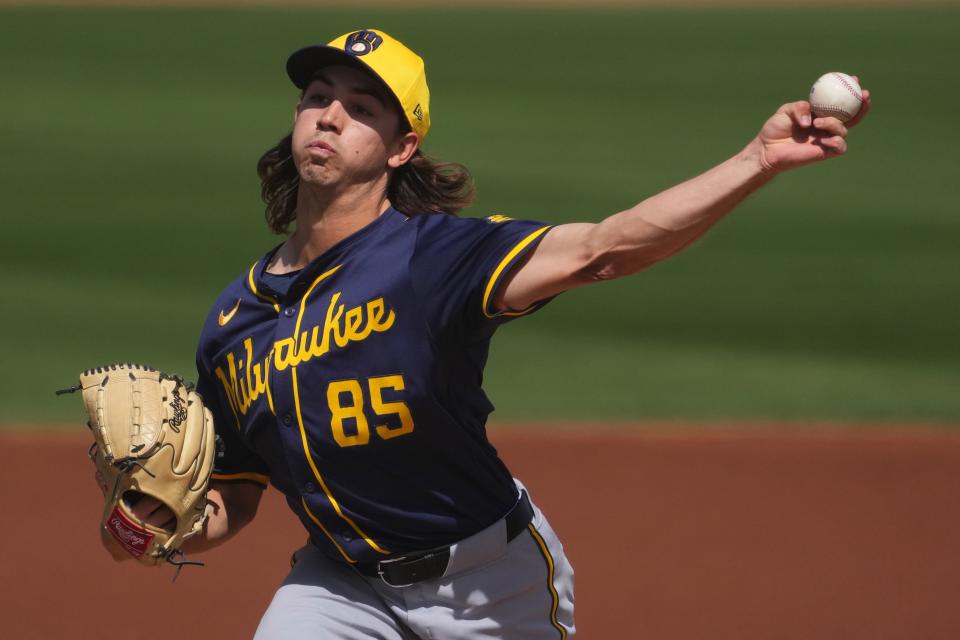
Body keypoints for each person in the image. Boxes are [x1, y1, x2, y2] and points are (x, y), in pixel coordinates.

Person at [100, 28, 870, 639]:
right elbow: (235, 492)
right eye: (317, 95)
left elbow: (605, 248)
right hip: (340, 585)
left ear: (401, 149)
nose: (330, 114)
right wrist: (155, 526)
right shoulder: (234, 321)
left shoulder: (435, 259)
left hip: (489, 588)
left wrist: (757, 160)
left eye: (363, 108)